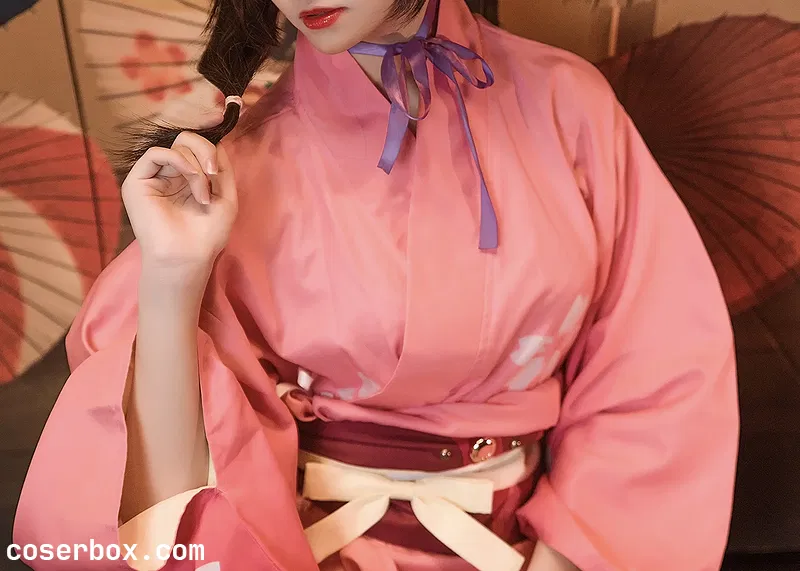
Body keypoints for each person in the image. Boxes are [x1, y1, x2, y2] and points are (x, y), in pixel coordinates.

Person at [13, 0, 739, 569]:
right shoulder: (241, 171)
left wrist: (567, 557)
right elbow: (162, 501)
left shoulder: (569, 107)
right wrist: (173, 274)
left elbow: (660, 366)